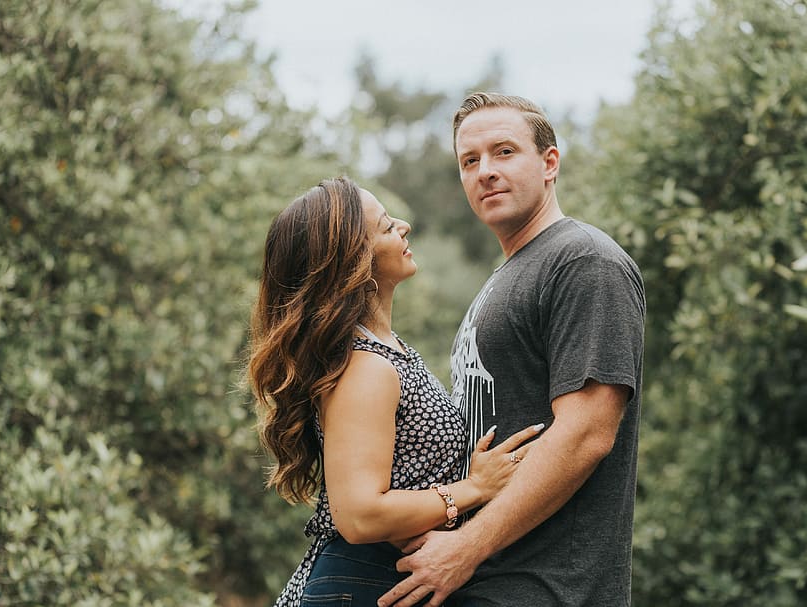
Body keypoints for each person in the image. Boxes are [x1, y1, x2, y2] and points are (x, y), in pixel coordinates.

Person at [377, 93, 646, 607]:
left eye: (504, 152)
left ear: (549, 163)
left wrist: (466, 548)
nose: (485, 172)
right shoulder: (509, 274)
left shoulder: (583, 261)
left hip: (548, 589)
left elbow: (587, 434)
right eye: (469, 161)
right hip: (486, 585)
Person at [248, 176, 544, 607]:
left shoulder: (384, 351)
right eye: (387, 227)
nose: (404, 226)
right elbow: (359, 515)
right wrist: (475, 488)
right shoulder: (365, 367)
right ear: (355, 263)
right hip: (362, 583)